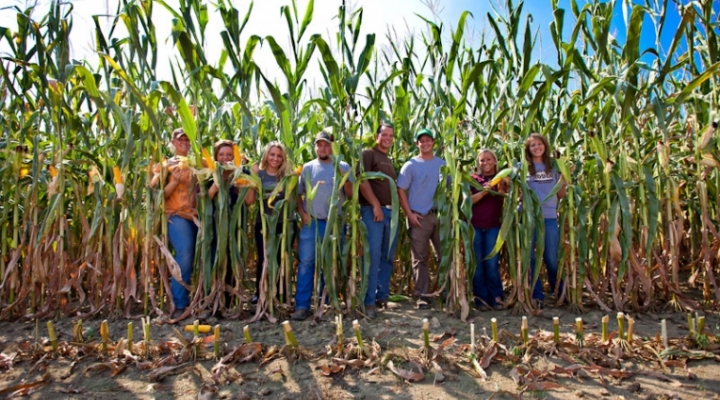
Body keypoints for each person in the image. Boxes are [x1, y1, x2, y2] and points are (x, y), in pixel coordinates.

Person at [292, 131, 352, 320]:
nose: (322, 148)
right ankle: (302, 306)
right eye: (319, 145)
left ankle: (324, 303)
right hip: (312, 222)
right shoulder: (308, 168)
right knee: (307, 262)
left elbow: (350, 194)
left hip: (335, 223)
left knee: (329, 264)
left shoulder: (342, 165)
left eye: (326, 145)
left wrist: (345, 177)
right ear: (315, 147)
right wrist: (302, 214)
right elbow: (297, 194)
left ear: (332, 146)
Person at [397, 128, 446, 309]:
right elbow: (400, 189)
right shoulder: (410, 165)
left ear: (434, 142)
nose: (425, 143)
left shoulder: (442, 164)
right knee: (420, 258)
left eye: (428, 140)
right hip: (419, 217)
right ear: (417, 144)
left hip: (439, 215)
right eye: (421, 141)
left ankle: (446, 291)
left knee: (444, 255)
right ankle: (422, 295)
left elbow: (451, 189)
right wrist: (409, 214)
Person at [245, 142, 297, 305]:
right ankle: (260, 292)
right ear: (266, 155)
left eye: (279, 156)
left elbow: (296, 198)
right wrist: (251, 182)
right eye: (272, 154)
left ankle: (281, 293)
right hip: (264, 223)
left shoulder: (286, 175)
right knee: (264, 258)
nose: (275, 158)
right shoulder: (258, 173)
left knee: (282, 258)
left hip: (286, 223)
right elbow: (249, 201)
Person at [357, 123, 398, 319]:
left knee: (387, 256)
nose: (388, 138)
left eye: (391, 135)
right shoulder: (368, 154)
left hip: (390, 213)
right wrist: (374, 204)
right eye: (384, 134)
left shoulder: (387, 159)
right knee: (372, 256)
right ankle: (368, 301)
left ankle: (381, 296)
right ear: (377, 136)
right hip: (374, 213)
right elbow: (361, 179)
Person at [525, 133, 566, 309]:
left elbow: (561, 195)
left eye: (539, 144)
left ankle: (558, 291)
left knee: (551, 257)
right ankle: (537, 294)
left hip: (549, 217)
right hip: (529, 218)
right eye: (532, 145)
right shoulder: (523, 167)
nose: (536, 147)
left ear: (545, 146)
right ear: (528, 149)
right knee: (531, 258)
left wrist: (564, 178)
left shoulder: (555, 167)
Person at [161, 128, 198, 321]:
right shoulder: (166, 164)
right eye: (179, 139)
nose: (184, 141)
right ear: (173, 142)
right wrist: (174, 180)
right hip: (176, 215)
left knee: (198, 257)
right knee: (184, 253)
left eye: (187, 138)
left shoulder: (197, 164)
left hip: (196, 217)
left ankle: (200, 301)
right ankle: (180, 305)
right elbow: (158, 194)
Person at [207, 139, 241, 312]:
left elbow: (247, 201)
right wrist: (217, 181)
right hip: (212, 227)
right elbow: (204, 199)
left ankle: (229, 301)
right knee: (214, 260)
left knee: (231, 259)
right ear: (215, 156)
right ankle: (212, 300)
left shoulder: (240, 173)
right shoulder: (209, 173)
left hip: (234, 226)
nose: (226, 158)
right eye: (222, 154)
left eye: (229, 154)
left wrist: (240, 181)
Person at [470, 149, 506, 311]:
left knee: (491, 264)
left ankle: (496, 297)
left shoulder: (503, 179)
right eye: (482, 160)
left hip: (494, 227)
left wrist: (499, 185)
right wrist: (485, 190)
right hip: (475, 226)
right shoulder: (472, 179)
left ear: (495, 161)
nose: (485, 163)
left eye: (489, 159)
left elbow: (509, 198)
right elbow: (468, 201)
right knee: (477, 265)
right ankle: (480, 299)